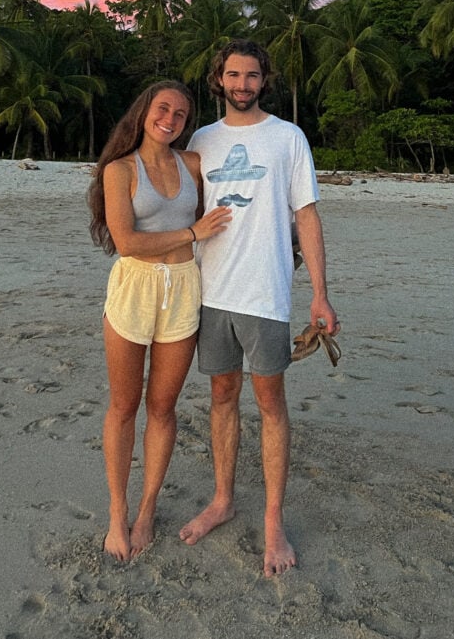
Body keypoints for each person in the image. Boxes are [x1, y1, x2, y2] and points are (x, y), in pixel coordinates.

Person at [178, 40, 339, 577]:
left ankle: (273, 519)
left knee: (271, 401)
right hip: (211, 292)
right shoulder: (201, 140)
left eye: (251, 75)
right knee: (222, 395)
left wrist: (319, 292)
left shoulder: (287, 138)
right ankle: (223, 499)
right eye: (232, 75)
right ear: (217, 79)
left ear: (264, 80)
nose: (242, 84)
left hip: (265, 293)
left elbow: (307, 217)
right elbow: (182, 207)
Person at [88, 80, 232, 563]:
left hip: (184, 289)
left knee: (163, 407)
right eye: (162, 108)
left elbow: (242, 184)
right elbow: (126, 241)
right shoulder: (119, 170)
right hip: (133, 288)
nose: (170, 119)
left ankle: (147, 508)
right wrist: (191, 232)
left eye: (181, 114)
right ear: (143, 111)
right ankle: (116, 511)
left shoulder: (192, 163)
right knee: (123, 406)